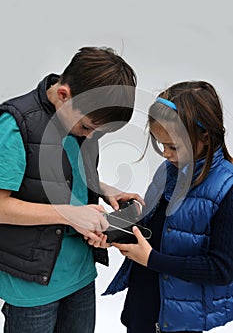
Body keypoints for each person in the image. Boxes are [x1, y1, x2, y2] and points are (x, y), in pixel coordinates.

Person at [0, 46, 144, 333]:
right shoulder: (15, 123)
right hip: (33, 287)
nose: (90, 135)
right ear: (64, 95)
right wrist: (69, 215)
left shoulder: (80, 119)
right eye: (88, 127)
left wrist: (103, 189)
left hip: (80, 276)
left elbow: (63, 176)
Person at [102, 81, 233, 333]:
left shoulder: (227, 187)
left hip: (178, 320)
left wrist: (152, 259)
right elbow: (158, 227)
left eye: (173, 146)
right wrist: (116, 229)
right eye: (161, 144)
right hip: (143, 306)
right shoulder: (167, 171)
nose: (165, 154)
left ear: (205, 136)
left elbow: (222, 269)